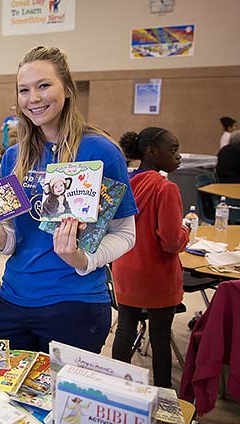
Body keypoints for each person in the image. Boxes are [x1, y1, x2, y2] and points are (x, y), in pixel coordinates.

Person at [0, 45, 137, 354]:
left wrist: (83, 259)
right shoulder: (14, 157)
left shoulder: (100, 152)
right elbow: (14, 239)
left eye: (44, 85)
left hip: (75, 302)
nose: (33, 98)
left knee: (62, 402)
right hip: (13, 297)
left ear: (67, 89)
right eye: (24, 90)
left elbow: (126, 234)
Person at [112, 127, 189, 388]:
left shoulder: (124, 183)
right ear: (151, 152)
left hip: (124, 271)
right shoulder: (166, 188)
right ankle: (163, 397)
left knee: (124, 331)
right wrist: (186, 230)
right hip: (157, 276)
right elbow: (171, 242)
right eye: (173, 150)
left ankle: (116, 389)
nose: (178, 157)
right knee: (160, 337)